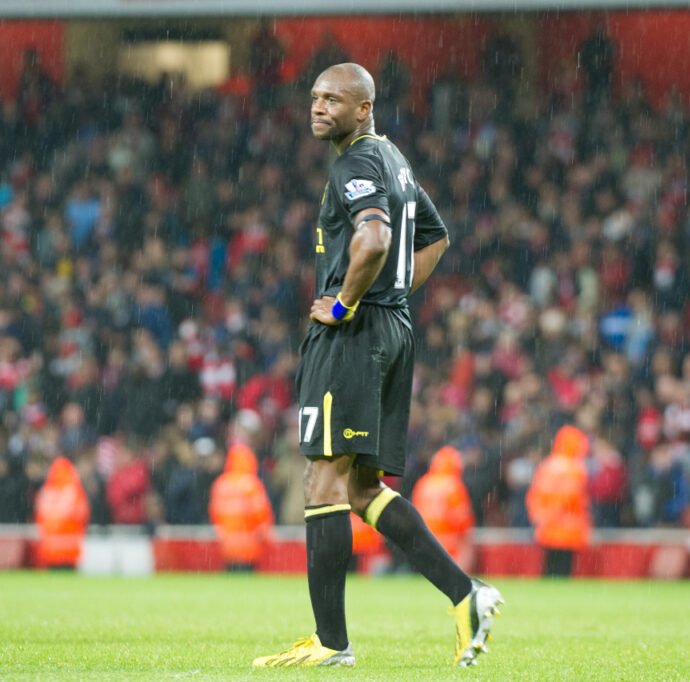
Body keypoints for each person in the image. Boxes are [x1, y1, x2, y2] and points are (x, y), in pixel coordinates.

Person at [253, 63, 502, 669]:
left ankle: (332, 643)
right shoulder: (395, 160)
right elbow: (436, 237)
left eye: (333, 99)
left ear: (364, 108)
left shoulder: (356, 163)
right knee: (363, 487)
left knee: (322, 479)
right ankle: (466, 593)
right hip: (392, 331)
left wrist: (343, 303)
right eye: (314, 98)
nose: (318, 107)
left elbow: (372, 239)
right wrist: (392, 295)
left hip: (354, 336)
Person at [526, 425, 592, 577]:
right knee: (563, 570)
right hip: (568, 530)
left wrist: (540, 518)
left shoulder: (547, 465)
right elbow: (569, 498)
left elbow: (534, 496)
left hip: (548, 528)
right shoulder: (574, 468)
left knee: (549, 568)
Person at [208, 440, 274, 571]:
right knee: (247, 584)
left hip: (227, 546)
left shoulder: (221, 484)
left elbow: (214, 513)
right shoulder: (251, 485)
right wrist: (266, 534)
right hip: (249, 546)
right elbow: (261, 513)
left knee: (231, 581)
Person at [411, 445, 476, 571]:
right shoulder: (453, 485)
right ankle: (459, 582)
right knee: (465, 548)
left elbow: (414, 511)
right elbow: (463, 517)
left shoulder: (423, 483)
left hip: (426, 538)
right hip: (450, 539)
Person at [34, 456, 90, 569]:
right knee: (69, 584)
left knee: (50, 584)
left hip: (49, 549)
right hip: (69, 549)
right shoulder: (74, 490)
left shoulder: (46, 491)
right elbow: (83, 514)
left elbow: (38, 516)